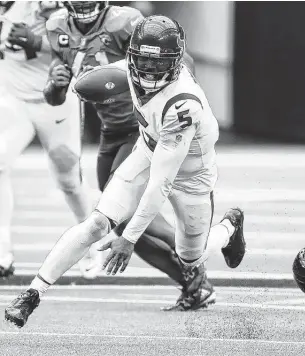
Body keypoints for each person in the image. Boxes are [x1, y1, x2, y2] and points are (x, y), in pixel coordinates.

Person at [4, 14, 246, 328]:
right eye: (141, 62)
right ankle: (33, 293)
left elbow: (161, 184)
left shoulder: (183, 103)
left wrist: (129, 239)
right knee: (95, 225)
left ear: (175, 63)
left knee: (192, 257)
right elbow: (91, 80)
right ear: (131, 56)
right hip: (146, 151)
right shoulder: (129, 69)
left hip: (189, 176)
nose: (147, 73)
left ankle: (229, 227)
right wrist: (77, 82)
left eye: (157, 65)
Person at [44, 1, 215, 309]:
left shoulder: (127, 22)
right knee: (119, 225)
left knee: (120, 216)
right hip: (109, 132)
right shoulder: (57, 27)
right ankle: (193, 284)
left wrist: (181, 114)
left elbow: (182, 62)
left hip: (141, 129)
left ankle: (190, 252)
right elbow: (56, 95)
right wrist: (55, 86)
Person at [0, 1, 96, 278]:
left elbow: (84, 47)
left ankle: (91, 239)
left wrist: (37, 41)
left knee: (68, 182)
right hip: (12, 99)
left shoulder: (70, 11)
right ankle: (2, 253)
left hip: (55, 101)